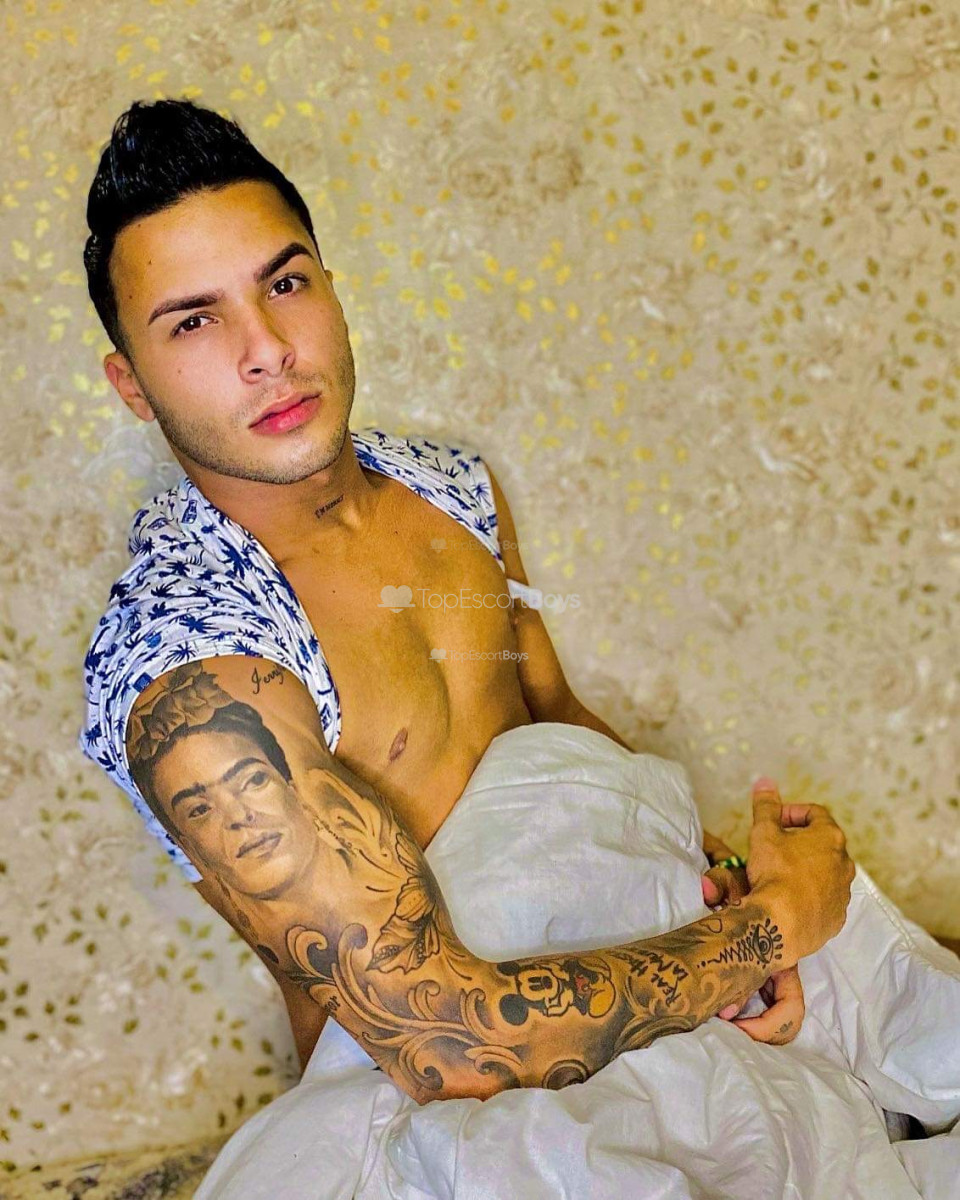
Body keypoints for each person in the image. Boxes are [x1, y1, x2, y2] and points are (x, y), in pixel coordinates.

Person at [79, 97, 866, 1095]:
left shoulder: (452, 487)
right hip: (438, 1109)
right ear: (132, 386)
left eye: (284, 282)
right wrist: (770, 931)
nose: (267, 347)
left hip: (649, 998)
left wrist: (731, 890)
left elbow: (555, 716)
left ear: (331, 290)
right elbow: (444, 1042)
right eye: (195, 320)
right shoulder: (189, 664)